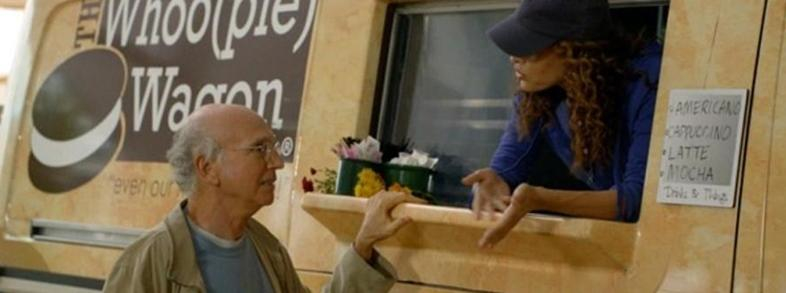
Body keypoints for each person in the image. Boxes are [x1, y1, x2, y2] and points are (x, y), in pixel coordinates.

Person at [103, 104, 423, 292]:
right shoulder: (150, 262)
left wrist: (363, 245)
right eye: (260, 149)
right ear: (207, 167)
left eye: (273, 148)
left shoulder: (267, 250)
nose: (276, 162)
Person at [462, 0, 662, 249]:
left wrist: (541, 199)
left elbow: (636, 201)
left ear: (573, 50)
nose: (514, 58)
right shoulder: (537, 93)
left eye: (529, 47)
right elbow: (506, 168)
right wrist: (491, 185)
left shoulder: (649, 84)